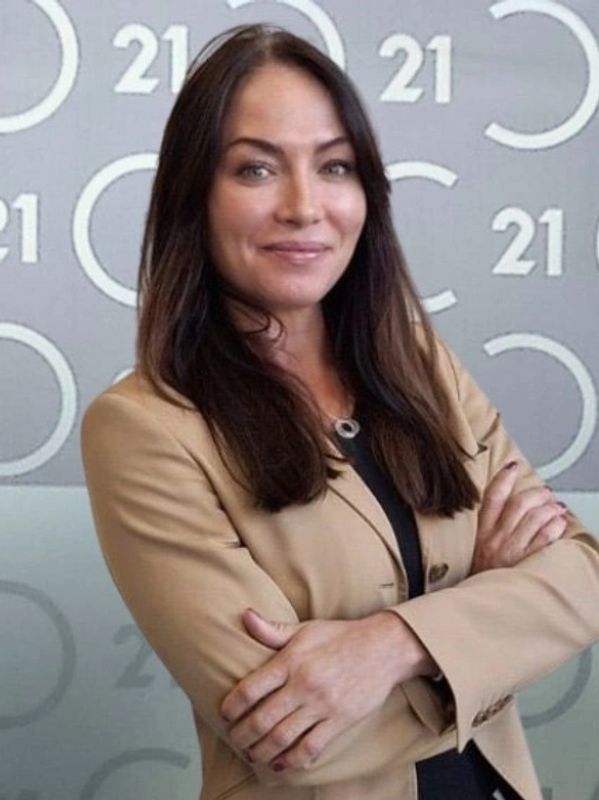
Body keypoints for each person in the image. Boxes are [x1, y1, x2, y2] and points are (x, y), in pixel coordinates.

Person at [80, 23, 599, 800]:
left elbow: (582, 576)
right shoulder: (144, 428)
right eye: (256, 168)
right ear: (195, 194)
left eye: (334, 167)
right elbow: (294, 742)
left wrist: (391, 646)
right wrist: (490, 619)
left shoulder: (422, 365)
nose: (304, 206)